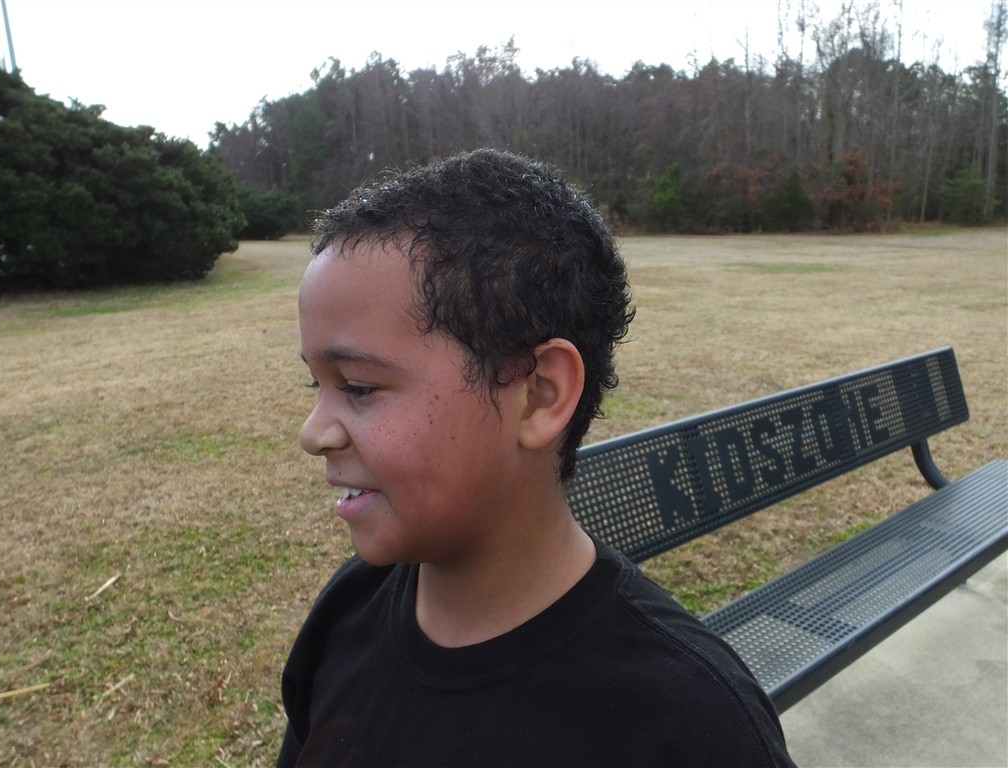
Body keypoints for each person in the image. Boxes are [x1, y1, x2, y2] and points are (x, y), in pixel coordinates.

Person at [278, 148, 795, 767]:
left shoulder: (688, 724)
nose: (314, 433)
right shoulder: (347, 612)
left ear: (538, 395)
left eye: (360, 387)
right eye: (316, 384)